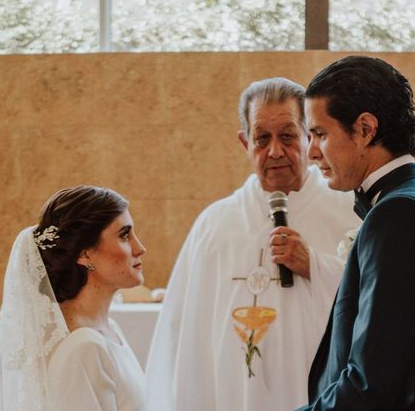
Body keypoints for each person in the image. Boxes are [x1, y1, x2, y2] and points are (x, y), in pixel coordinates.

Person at [145, 77, 360, 411]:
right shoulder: (215, 225)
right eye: (262, 138)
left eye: (287, 136)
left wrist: (315, 266)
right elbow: (183, 334)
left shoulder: (348, 212)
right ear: (245, 142)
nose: (274, 151)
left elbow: (379, 308)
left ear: (309, 137)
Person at [299, 55, 415, 410]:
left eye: (320, 134)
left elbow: (375, 389)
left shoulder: (402, 216)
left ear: (365, 128)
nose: (311, 153)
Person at [0, 185, 148, 411]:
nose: (140, 248)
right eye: (124, 235)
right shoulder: (83, 347)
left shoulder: (108, 329)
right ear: (84, 254)